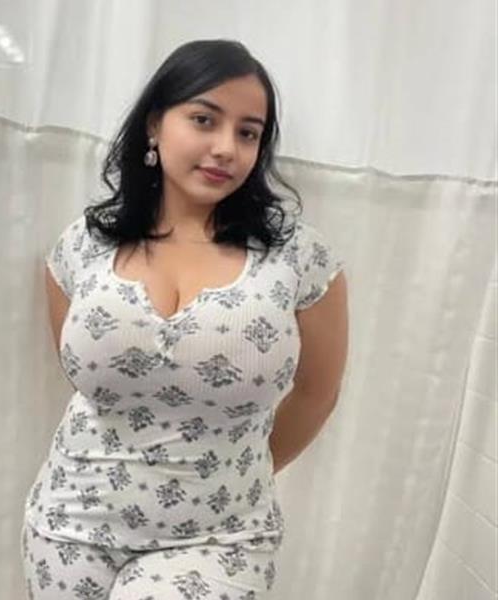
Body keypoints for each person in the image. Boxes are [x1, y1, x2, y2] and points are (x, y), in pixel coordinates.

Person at [20, 38, 348, 599]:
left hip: (222, 535)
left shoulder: (300, 258)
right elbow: (85, 382)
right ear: (155, 123)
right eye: (204, 119)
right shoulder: (83, 246)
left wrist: (229, 474)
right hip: (68, 523)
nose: (226, 148)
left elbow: (318, 393)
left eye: (248, 133)